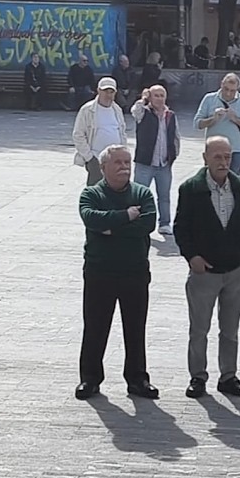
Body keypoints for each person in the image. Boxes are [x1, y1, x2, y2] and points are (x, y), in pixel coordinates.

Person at [175, 136, 240, 400]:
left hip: (235, 271)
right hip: (204, 273)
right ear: (205, 158)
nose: (223, 162)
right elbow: (181, 228)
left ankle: (228, 376)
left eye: (226, 157)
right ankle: (198, 377)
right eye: (217, 157)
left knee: (230, 328)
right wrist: (192, 257)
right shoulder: (191, 188)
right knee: (199, 329)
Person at [75, 145, 158, 400]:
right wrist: (126, 215)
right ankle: (90, 379)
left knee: (135, 328)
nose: (124, 167)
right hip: (100, 272)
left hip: (134, 271)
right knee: (95, 326)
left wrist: (111, 227)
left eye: (127, 162)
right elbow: (92, 219)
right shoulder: (90, 194)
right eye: (118, 163)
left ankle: (137, 379)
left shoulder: (142, 194)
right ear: (103, 168)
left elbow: (148, 224)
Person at [129, 85, 181, 236]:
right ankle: (137, 221)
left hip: (164, 164)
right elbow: (135, 110)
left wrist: (173, 156)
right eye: (156, 95)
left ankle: (165, 223)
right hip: (145, 163)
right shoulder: (143, 113)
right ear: (150, 98)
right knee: (139, 195)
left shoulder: (170, 115)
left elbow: (176, 136)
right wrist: (143, 99)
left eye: (162, 95)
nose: (159, 98)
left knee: (164, 196)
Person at [193, 72, 240, 175]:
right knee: (212, 180)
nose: (228, 93)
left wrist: (235, 119)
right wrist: (213, 119)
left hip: (236, 149)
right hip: (214, 149)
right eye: (226, 89)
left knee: (233, 183)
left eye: (232, 91)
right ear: (221, 84)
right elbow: (197, 124)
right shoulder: (209, 99)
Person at [72, 77, 127, 186]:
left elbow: (122, 133)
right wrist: (89, 157)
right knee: (95, 194)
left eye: (111, 92)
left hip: (115, 160)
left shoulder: (117, 110)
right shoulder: (87, 110)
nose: (108, 95)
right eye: (105, 91)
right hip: (96, 159)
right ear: (98, 91)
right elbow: (78, 134)